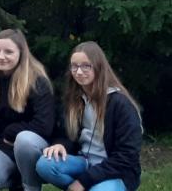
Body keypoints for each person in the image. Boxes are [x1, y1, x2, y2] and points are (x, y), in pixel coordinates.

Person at [36, 42, 142, 191]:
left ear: (98, 67)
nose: (79, 72)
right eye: (74, 66)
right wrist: (61, 144)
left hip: (115, 171)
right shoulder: (74, 99)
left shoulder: (120, 104)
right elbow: (66, 135)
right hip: (84, 162)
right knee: (45, 165)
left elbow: (127, 156)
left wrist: (84, 181)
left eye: (86, 66)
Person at [0, 29, 55, 190]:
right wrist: (2, 141)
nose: (1, 56)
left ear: (21, 54)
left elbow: (44, 126)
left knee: (24, 139)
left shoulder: (37, 82)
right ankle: (17, 181)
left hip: (36, 145)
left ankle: (31, 186)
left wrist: (12, 132)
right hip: (7, 146)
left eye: (8, 52)